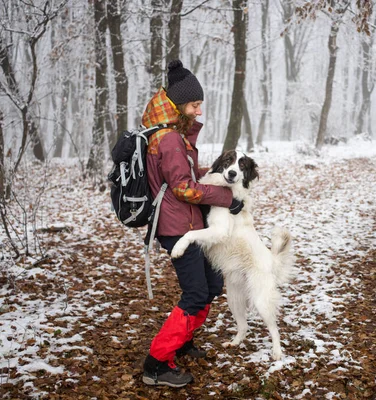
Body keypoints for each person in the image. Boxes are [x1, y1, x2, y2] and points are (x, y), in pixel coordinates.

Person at [141, 60, 244, 388]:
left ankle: (182, 341)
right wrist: (226, 198)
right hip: (177, 226)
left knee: (212, 287)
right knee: (197, 293)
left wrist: (216, 179)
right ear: (177, 103)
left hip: (191, 223)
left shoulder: (175, 136)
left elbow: (185, 178)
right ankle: (156, 364)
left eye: (200, 104)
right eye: (194, 104)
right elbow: (183, 188)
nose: (199, 110)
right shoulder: (169, 139)